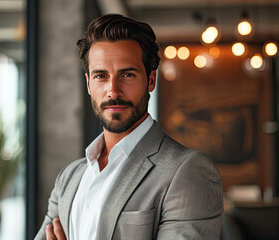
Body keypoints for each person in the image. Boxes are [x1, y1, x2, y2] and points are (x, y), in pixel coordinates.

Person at [34, 14, 223, 240]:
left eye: (127, 74)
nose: (113, 90)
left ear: (151, 80)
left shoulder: (188, 170)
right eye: (101, 76)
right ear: (88, 84)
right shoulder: (69, 177)